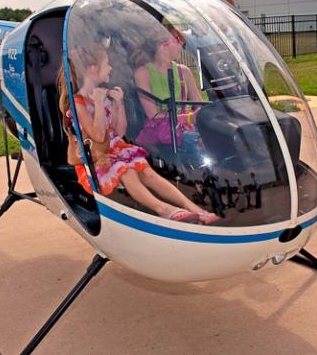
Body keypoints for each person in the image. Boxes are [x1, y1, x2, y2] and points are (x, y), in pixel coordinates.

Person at [58, 43, 219, 225]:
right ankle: (164, 209)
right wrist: (98, 104)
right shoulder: (79, 102)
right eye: (107, 63)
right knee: (127, 172)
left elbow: (120, 131)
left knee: (148, 172)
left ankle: (193, 208)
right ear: (94, 70)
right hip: (97, 156)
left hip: (115, 149)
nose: (111, 68)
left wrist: (118, 105)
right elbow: (97, 135)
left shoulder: (105, 95)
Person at [133, 26, 203, 142]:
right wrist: (189, 118)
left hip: (187, 131)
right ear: (162, 45)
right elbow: (153, 115)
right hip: (162, 135)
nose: (181, 46)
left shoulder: (184, 71)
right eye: (177, 40)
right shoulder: (143, 73)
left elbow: (199, 105)